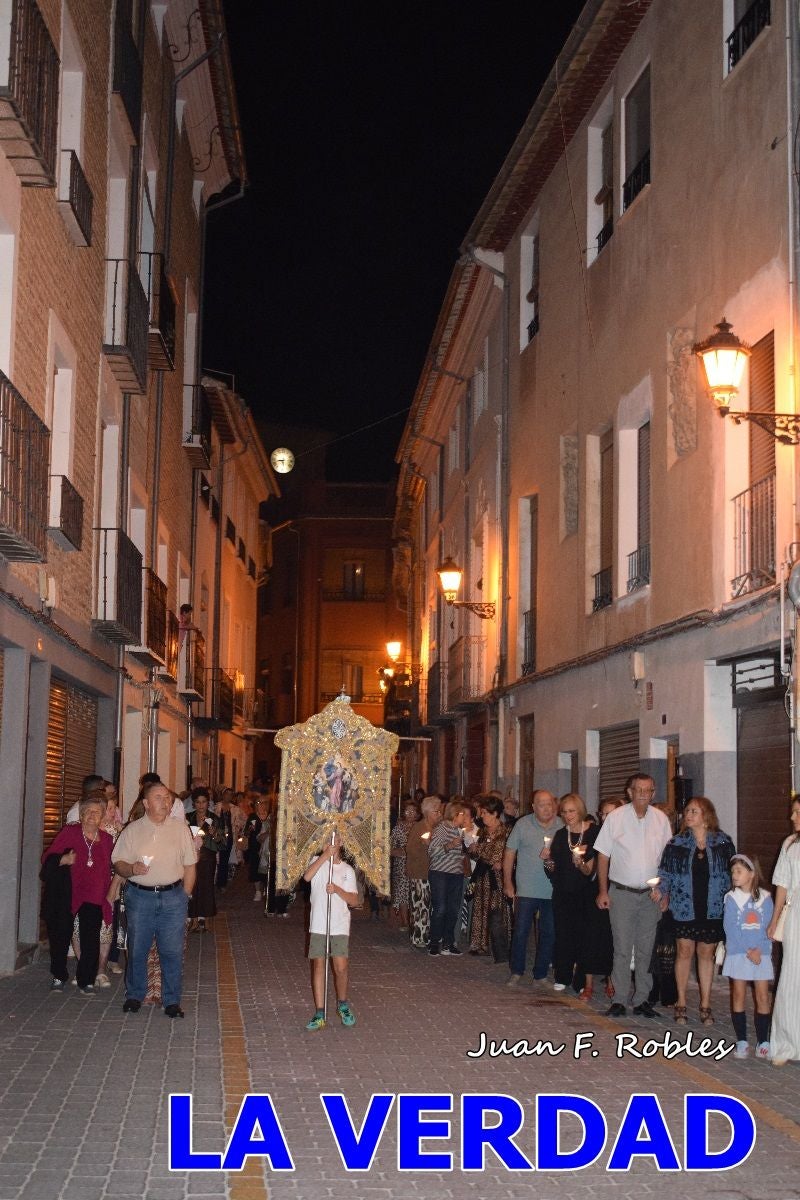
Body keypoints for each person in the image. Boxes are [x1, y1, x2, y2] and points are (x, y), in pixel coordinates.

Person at [111, 781, 197, 1018]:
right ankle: (134, 995)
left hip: (173, 898)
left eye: (168, 798)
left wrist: (185, 895)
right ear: (146, 803)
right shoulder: (132, 830)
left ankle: (171, 1001)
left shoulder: (180, 829)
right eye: (159, 798)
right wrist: (131, 868)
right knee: (137, 948)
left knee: (172, 951)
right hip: (140, 897)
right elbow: (118, 862)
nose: (165, 802)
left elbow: (190, 865)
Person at [594, 773, 672, 1018]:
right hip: (622, 894)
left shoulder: (661, 819)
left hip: (651, 895)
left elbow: (667, 860)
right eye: (638, 789)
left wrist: (665, 892)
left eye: (647, 790)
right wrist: (603, 891)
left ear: (653, 793)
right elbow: (603, 856)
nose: (642, 794)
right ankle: (618, 999)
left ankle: (642, 1001)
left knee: (646, 950)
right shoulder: (616, 818)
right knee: (622, 948)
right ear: (629, 791)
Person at [657, 796, 734, 1026]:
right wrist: (661, 890)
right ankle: (681, 1002)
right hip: (684, 906)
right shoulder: (677, 843)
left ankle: (705, 1004)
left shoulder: (723, 842)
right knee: (683, 951)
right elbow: (665, 872)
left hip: (712, 907)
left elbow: (734, 872)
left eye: (694, 811)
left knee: (706, 954)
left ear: (707, 816)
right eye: (687, 811)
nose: (688, 815)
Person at [41, 796, 114, 993]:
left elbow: (110, 869)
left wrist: (109, 894)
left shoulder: (107, 839)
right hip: (68, 892)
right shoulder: (70, 832)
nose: (92, 815)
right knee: (60, 934)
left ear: (102, 817)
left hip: (95, 894)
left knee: (91, 938)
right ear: (81, 815)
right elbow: (48, 857)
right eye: (88, 811)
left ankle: (86, 979)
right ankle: (59, 974)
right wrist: (63, 859)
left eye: (97, 812)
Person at [548, 793, 610, 1000]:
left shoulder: (594, 833)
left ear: (580, 811)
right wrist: (547, 862)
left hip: (586, 894)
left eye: (572, 811)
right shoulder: (559, 835)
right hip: (563, 893)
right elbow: (553, 869)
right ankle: (562, 975)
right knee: (564, 934)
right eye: (564, 812)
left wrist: (581, 865)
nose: (568, 815)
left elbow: (592, 871)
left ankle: (582, 980)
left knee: (585, 936)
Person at [503, 789, 561, 984]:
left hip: (553, 889)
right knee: (521, 930)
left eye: (550, 803)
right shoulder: (523, 824)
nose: (547, 808)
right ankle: (517, 970)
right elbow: (509, 853)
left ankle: (541, 973)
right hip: (527, 887)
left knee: (549, 932)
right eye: (542, 804)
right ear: (533, 807)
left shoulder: (561, 825)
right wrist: (507, 882)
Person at [721, 853, 773, 1059]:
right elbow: (730, 928)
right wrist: (748, 950)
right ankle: (742, 1040)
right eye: (733, 871)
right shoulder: (731, 898)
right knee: (739, 995)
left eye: (739, 871)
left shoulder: (766, 898)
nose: (734, 875)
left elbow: (768, 926)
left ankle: (763, 1040)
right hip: (739, 953)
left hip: (761, 954)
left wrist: (759, 948)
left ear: (751, 874)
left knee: (762, 996)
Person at [303, 840, 359, 1030]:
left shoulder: (347, 870)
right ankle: (319, 1011)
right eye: (327, 840)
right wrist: (325, 856)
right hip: (319, 923)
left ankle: (342, 1004)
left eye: (334, 840)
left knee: (340, 967)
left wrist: (337, 890)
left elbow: (354, 899)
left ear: (341, 843)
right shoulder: (316, 861)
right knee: (319, 965)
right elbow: (307, 877)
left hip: (339, 924)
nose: (331, 843)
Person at [767, 796, 800, 1066]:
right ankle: (788, 1043)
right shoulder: (789, 845)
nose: (793, 818)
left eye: (798, 812)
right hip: (796, 916)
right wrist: (774, 920)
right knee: (791, 977)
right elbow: (782, 886)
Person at [427, 800, 474, 956]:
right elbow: (432, 852)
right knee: (440, 908)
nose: (466, 817)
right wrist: (449, 845)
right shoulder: (441, 828)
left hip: (456, 874)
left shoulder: (460, 831)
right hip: (440, 873)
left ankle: (448, 943)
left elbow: (464, 853)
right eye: (463, 814)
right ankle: (434, 943)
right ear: (455, 814)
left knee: (453, 909)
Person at [467, 795, 512, 960]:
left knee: (495, 911)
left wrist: (479, 850)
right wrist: (474, 850)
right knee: (480, 908)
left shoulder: (506, 832)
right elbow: (479, 856)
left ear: (495, 814)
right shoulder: (483, 831)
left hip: (497, 879)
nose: (482, 816)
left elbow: (497, 855)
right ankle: (479, 944)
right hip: (482, 876)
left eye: (485, 813)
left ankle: (498, 947)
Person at [405, 796, 442, 949]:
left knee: (429, 905)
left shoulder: (438, 827)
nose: (439, 814)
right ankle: (419, 937)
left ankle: (429, 935)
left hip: (433, 871)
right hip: (420, 872)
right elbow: (410, 849)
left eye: (440, 811)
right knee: (421, 905)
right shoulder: (420, 827)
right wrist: (425, 846)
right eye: (436, 811)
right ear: (427, 812)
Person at [186, 787, 224, 931]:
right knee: (192, 887)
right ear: (194, 803)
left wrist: (214, 832)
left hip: (208, 857)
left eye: (204, 802)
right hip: (191, 857)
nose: (201, 805)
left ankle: (207, 919)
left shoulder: (214, 819)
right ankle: (193, 919)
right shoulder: (188, 817)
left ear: (208, 803)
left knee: (207, 888)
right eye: (198, 802)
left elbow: (222, 842)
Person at [389, 798, 419, 928]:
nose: (410, 814)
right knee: (402, 892)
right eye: (408, 811)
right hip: (401, 865)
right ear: (403, 813)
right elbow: (388, 848)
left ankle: (414, 919)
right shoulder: (398, 829)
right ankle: (405, 921)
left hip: (417, 864)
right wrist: (399, 852)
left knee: (414, 891)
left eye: (413, 811)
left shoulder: (420, 828)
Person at [243, 793, 270, 901]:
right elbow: (246, 832)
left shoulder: (271, 816)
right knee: (255, 869)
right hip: (255, 846)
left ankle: (266, 889)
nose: (261, 805)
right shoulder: (252, 817)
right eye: (258, 803)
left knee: (267, 869)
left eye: (263, 803)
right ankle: (258, 891)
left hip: (268, 847)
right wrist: (250, 829)